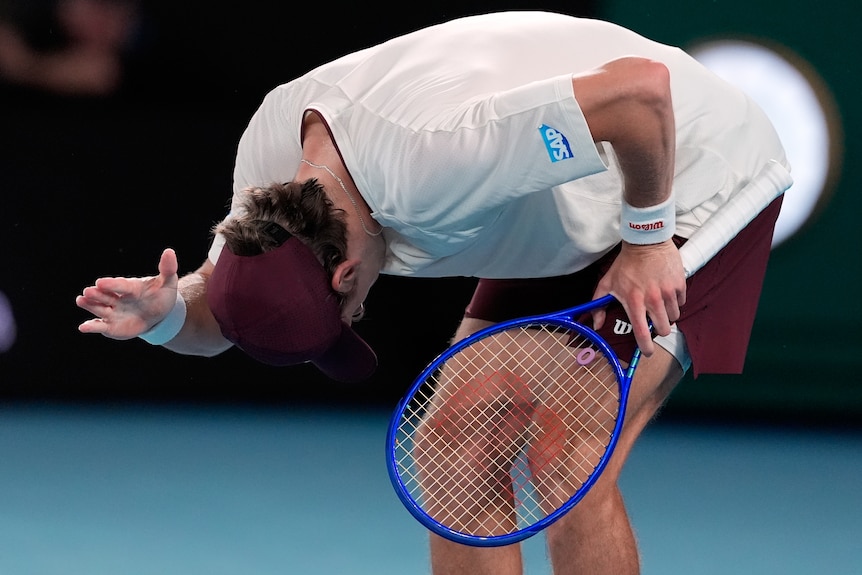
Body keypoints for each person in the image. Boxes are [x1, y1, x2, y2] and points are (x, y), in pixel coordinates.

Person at [76, 11, 791, 575]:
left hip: (687, 171)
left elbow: (642, 93)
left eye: (348, 316)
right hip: (565, 196)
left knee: (567, 453)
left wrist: (644, 238)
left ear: (348, 277)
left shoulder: (442, 157)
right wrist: (170, 315)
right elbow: (222, 309)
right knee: (449, 448)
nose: (357, 316)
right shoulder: (273, 180)